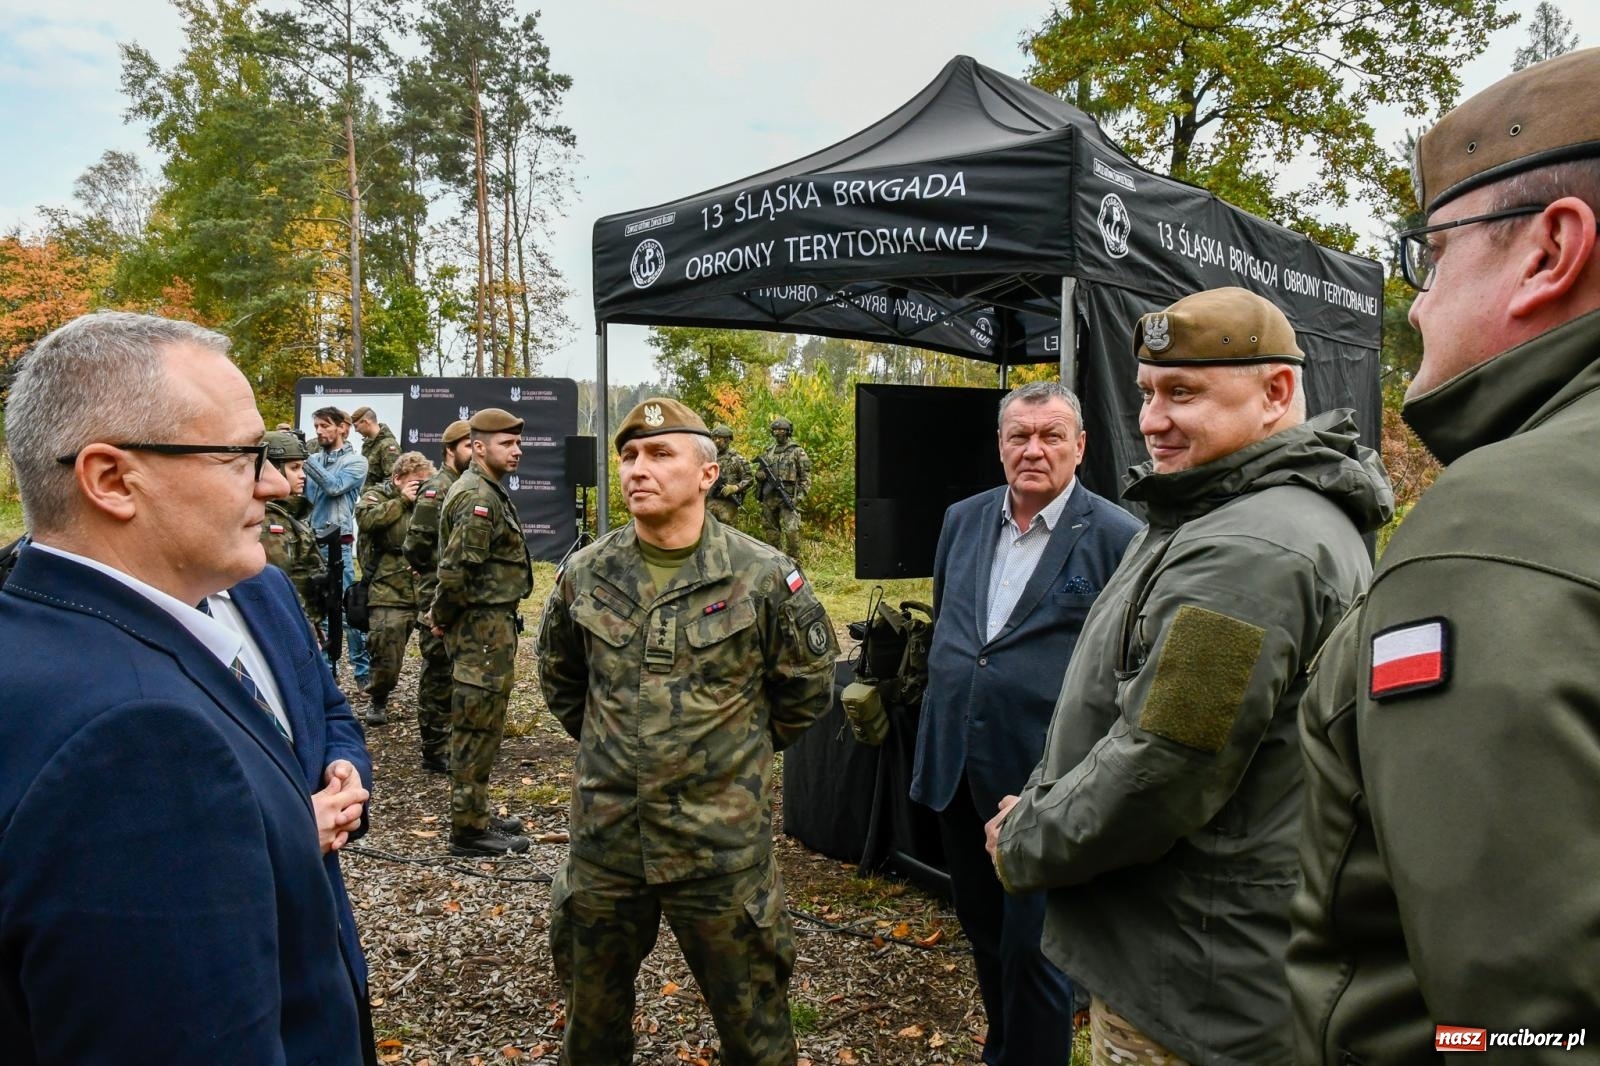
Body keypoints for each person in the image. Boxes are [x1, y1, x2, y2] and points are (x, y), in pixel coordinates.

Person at [986, 287, 1392, 1065]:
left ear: (1276, 393)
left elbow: (1165, 763)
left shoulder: (1248, 551)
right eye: (1144, 392)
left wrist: (1028, 834)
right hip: (1203, 949)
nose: (1151, 419)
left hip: (1196, 978)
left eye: (1183, 393)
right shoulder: (1225, 510)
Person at [1289, 49, 1600, 1064]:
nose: (1415, 303)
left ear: (1550, 249)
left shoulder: (1495, 532)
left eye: (1431, 254)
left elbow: (1523, 1031)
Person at [0, 311, 373, 1063]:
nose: (274, 483)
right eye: (241, 457)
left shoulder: (41, 636)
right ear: (111, 479)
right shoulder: (136, 743)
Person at [537, 397, 838, 1066]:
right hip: (607, 845)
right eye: (629, 456)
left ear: (707, 474)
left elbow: (806, 689)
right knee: (591, 1031)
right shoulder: (586, 572)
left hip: (719, 849)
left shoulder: (762, 577)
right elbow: (563, 684)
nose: (638, 468)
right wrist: (621, 751)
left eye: (659, 453)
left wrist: (729, 761)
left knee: (756, 1032)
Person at [910, 381, 1142, 1066]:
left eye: (1051, 435)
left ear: (1080, 445)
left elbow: (1121, 670)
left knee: (1038, 951)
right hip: (958, 762)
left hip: (1044, 777)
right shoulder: (963, 519)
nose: (1033, 449)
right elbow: (956, 628)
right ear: (1000, 443)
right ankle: (1001, 1051)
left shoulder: (1116, 537)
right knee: (983, 932)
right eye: (1020, 435)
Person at [431, 407, 534, 856]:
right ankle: (468, 831)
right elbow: (456, 570)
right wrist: (442, 615)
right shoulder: (478, 497)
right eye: (506, 444)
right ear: (478, 447)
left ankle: (476, 812)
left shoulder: (486, 489)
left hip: (489, 625)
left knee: (485, 724)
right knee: (476, 727)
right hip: (481, 628)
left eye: (517, 442)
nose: (517, 450)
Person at [404, 418, 473, 773]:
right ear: (450, 450)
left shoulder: (471, 486)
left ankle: (456, 738)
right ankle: (434, 746)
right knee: (438, 669)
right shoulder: (438, 489)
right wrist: (432, 573)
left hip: (461, 593)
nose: (473, 453)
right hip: (436, 593)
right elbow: (415, 543)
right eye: (466, 446)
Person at [355, 450, 436, 727]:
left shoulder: (431, 500)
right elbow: (366, 521)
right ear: (397, 478)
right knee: (386, 650)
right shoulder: (377, 497)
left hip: (426, 586)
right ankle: (378, 696)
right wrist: (402, 500)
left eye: (426, 482)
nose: (421, 487)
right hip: (389, 587)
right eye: (416, 481)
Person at [304, 405, 371, 689]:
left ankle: (362, 672)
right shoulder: (314, 460)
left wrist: (306, 462)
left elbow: (333, 487)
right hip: (310, 543)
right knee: (315, 609)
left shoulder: (356, 462)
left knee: (345, 609)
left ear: (341, 427)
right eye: (316, 426)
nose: (319, 431)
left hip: (338, 545)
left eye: (324, 426)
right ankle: (326, 671)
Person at [261, 428, 327, 635]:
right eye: (294, 468)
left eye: (302, 468)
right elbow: (274, 586)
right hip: (285, 627)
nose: (302, 476)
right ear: (272, 469)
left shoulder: (288, 514)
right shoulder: (270, 521)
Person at [754, 415, 810, 561]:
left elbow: (806, 478)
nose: (778, 433)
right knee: (770, 530)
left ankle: (794, 560)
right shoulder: (768, 451)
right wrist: (759, 475)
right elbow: (760, 471)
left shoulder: (797, 451)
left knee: (792, 530)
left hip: (789, 496)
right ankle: (775, 559)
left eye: (782, 430)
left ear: (788, 431)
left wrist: (799, 498)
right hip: (769, 497)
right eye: (776, 430)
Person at [707, 422, 753, 525]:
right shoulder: (709, 459)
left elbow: (749, 479)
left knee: (728, 534)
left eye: (720, 438)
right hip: (709, 502)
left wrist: (735, 487)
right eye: (714, 438)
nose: (716, 441)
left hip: (728, 504)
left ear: (727, 440)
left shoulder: (736, 459)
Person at [352, 405, 401, 490]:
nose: (356, 430)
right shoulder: (368, 445)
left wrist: (373, 494)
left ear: (365, 422)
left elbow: (393, 480)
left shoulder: (388, 445)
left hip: (378, 501)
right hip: (366, 498)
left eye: (356, 426)